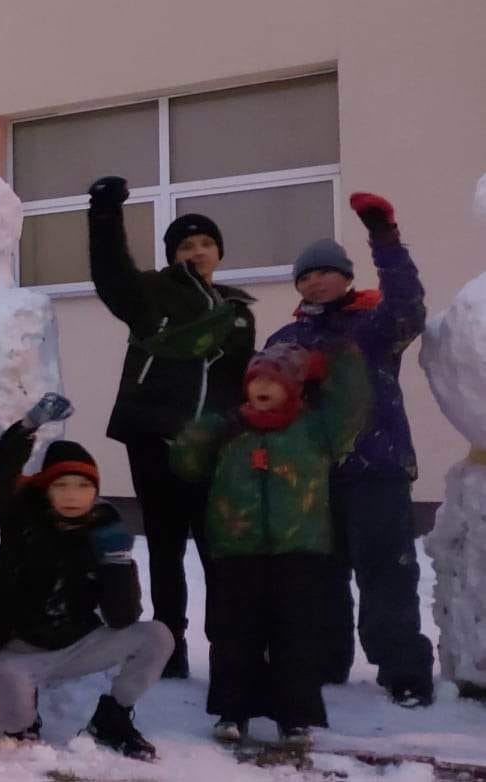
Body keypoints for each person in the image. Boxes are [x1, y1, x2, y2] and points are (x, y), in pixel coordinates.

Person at [265, 192, 434, 706]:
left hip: (376, 467)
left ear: (345, 275)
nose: (313, 281)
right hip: (312, 475)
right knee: (318, 575)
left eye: (323, 271)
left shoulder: (375, 324)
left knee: (386, 570)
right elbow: (262, 400)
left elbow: (408, 303)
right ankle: (322, 659)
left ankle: (403, 670)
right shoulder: (286, 336)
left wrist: (384, 234)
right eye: (304, 275)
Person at [87, 175, 257, 679]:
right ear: (173, 254)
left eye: (206, 243)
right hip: (155, 442)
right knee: (164, 549)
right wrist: (105, 214)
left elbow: (246, 385)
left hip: (214, 450)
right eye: (187, 244)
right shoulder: (152, 295)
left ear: (219, 252)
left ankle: (227, 648)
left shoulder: (238, 311)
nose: (198, 251)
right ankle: (169, 648)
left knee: (216, 550)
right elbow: (111, 272)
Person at [172, 343, 368, 748]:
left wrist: (337, 363)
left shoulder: (316, 429)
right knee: (234, 633)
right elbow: (185, 461)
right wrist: (208, 430)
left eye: (273, 380)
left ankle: (294, 717)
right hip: (236, 548)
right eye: (256, 379)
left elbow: (354, 405)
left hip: (300, 548)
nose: (262, 386)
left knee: (295, 635)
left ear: (293, 387)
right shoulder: (230, 429)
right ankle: (233, 711)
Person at [0, 394, 171, 761]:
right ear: (45, 489)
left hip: (78, 644)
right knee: (9, 700)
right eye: (62, 485)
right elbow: (0, 476)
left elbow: (122, 618)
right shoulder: (23, 519)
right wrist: (27, 427)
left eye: (83, 487)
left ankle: (112, 719)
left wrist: (118, 563)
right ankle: (24, 722)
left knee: (157, 636)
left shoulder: (101, 530)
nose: (73, 495)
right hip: (22, 651)